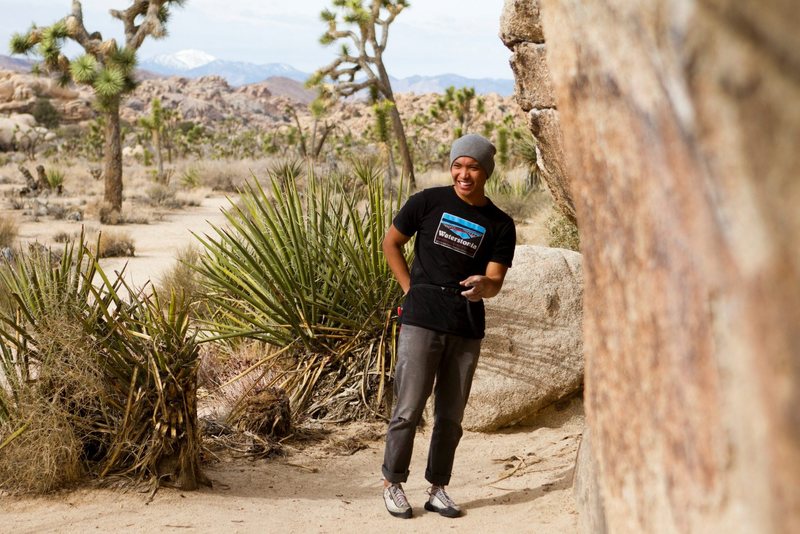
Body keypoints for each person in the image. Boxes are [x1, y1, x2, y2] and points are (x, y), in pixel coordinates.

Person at [380, 133, 516, 518]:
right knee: (408, 407)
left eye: (473, 166)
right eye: (458, 165)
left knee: (451, 417)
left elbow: (495, 281)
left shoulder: (500, 224)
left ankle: (438, 488)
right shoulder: (427, 202)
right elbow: (391, 242)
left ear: (485, 171)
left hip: (466, 324)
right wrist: (411, 290)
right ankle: (393, 483)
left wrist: (483, 286)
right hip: (422, 319)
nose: (464, 173)